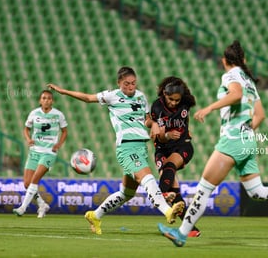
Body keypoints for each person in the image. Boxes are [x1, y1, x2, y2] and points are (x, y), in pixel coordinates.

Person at [158, 40, 268, 247]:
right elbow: (260, 115)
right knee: (257, 191)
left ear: (224, 60)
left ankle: (181, 234)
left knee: (204, 188)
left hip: (233, 140)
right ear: (243, 60)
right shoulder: (249, 81)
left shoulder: (230, 75)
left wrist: (210, 108)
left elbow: (236, 95)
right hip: (246, 140)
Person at [47, 66, 185, 235]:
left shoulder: (141, 97)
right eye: (126, 84)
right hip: (126, 147)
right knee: (147, 177)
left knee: (126, 193)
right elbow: (88, 98)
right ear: (119, 83)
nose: (130, 87)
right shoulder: (112, 96)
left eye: (133, 83)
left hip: (141, 147)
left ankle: (95, 215)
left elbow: (147, 120)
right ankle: (167, 211)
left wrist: (154, 123)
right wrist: (63, 91)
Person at [146, 76, 200, 237]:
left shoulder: (185, 103)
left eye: (177, 100)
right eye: (171, 99)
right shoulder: (157, 107)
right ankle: (191, 229)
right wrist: (168, 135)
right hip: (163, 147)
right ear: (164, 93)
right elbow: (160, 137)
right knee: (175, 192)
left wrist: (186, 129)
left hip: (182, 146)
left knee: (169, 166)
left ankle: (161, 194)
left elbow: (184, 117)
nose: (174, 103)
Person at [13, 90, 68, 218]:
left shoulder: (58, 115)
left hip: (49, 153)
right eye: (44, 98)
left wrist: (58, 144)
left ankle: (23, 208)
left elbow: (65, 131)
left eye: (49, 98)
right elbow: (26, 129)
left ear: (52, 101)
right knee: (27, 183)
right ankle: (42, 205)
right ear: (40, 100)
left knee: (34, 180)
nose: (46, 100)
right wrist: (28, 139)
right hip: (34, 151)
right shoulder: (34, 113)